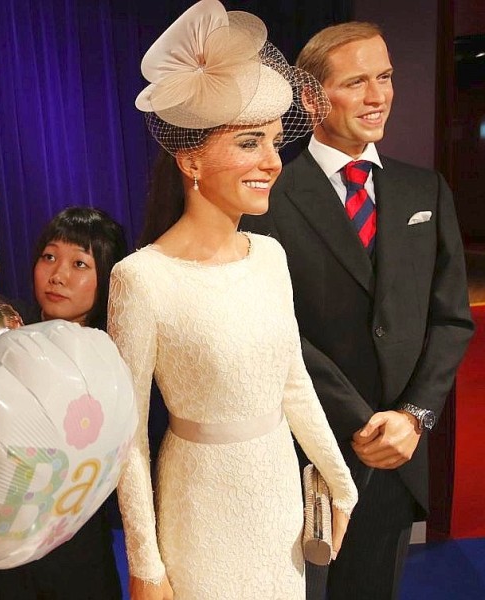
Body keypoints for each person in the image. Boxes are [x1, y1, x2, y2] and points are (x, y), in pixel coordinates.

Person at [107, 2, 358, 599]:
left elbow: (293, 381)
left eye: (273, 143)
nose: (272, 162)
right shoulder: (140, 280)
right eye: (251, 143)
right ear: (191, 160)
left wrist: (339, 482)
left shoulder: (269, 256)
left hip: (278, 503)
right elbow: (127, 437)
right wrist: (146, 563)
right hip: (199, 510)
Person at [241, 21, 474, 600]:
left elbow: (450, 319)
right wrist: (359, 420)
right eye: (357, 82)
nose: (379, 97)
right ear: (311, 97)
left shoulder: (428, 192)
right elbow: (275, 329)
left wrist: (412, 417)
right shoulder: (266, 198)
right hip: (304, 455)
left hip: (398, 455)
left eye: (386, 77)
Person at [0, 206, 127, 599]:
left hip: (75, 554)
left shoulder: (111, 359)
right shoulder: (7, 332)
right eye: (49, 256)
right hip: (1, 549)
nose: (58, 275)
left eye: (80, 263)